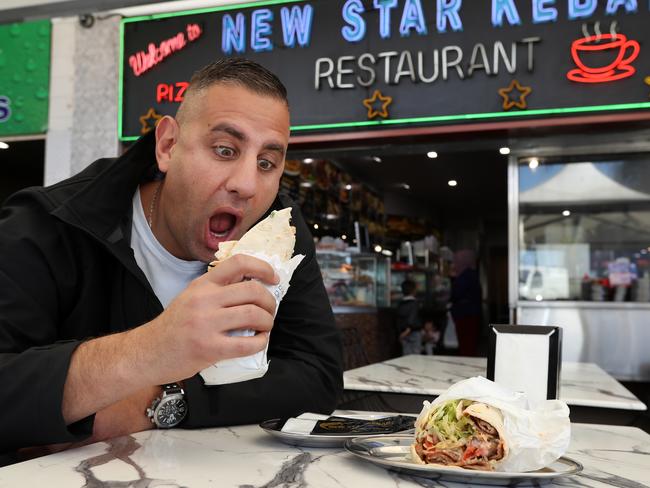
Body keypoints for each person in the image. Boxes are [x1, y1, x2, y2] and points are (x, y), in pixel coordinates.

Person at [0, 58, 343, 465]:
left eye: (267, 162)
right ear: (167, 146)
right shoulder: (45, 226)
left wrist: (158, 402)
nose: (247, 185)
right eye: (224, 150)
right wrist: (154, 347)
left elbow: (318, 376)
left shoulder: (278, 229)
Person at [450, 249, 482, 356]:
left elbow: (457, 293)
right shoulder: (471, 274)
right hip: (470, 313)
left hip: (465, 314)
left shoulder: (465, 275)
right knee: (469, 343)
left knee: (466, 343)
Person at [396, 279, 422, 355]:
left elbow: (398, 319)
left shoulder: (400, 304)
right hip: (413, 331)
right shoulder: (415, 303)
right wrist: (408, 329)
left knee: (406, 355)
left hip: (403, 332)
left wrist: (400, 333)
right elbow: (412, 317)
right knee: (415, 354)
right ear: (413, 291)